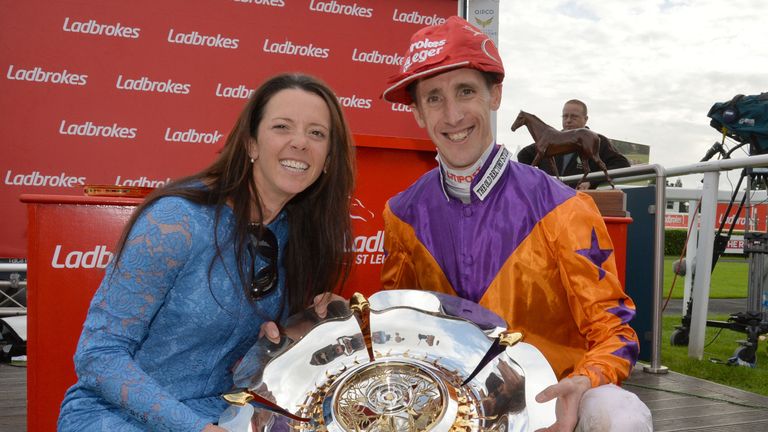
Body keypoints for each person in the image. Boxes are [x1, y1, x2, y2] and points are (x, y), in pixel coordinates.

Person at [380, 16, 651, 432]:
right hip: (449, 409)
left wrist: (587, 379)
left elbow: (614, 330)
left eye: (465, 91)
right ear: (417, 112)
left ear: (495, 95)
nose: (452, 115)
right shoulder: (401, 213)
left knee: (620, 415)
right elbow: (394, 327)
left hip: (552, 404)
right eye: (434, 98)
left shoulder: (565, 207)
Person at [58, 73, 356, 431]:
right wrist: (195, 428)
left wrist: (310, 325)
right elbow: (98, 356)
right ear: (250, 144)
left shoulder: (299, 236)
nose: (300, 143)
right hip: (115, 415)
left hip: (222, 413)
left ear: (328, 159)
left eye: (316, 133)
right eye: (282, 127)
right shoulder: (176, 221)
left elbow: (248, 359)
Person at [517, 99, 630, 190]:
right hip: (549, 201)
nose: (568, 120)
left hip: (580, 202)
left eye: (574, 116)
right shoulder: (549, 140)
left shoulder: (599, 141)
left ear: (585, 119)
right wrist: (538, 179)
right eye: (565, 116)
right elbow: (523, 155)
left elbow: (622, 164)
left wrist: (591, 180)